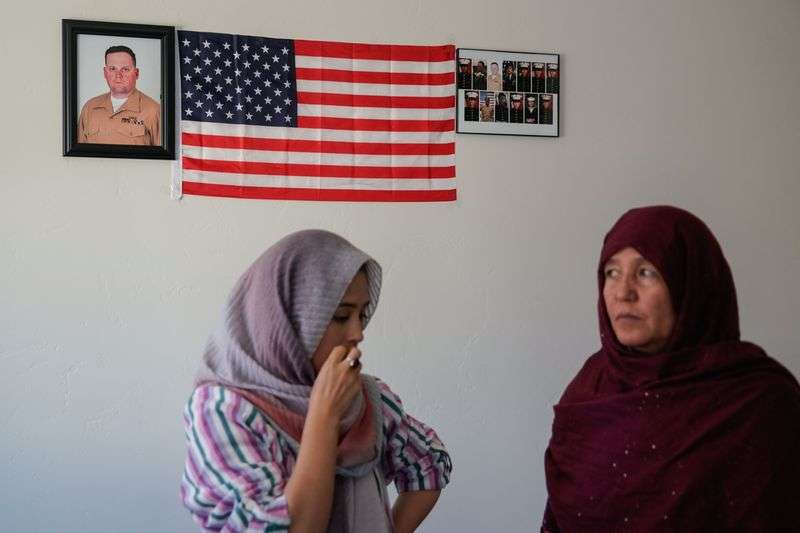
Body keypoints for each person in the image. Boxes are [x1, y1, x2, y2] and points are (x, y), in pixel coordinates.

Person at [542, 206, 800, 532]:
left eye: (646, 272)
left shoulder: (759, 404)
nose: (623, 292)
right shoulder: (591, 386)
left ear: (691, 284)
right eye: (612, 272)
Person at [181, 230, 452, 532]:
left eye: (361, 316)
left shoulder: (367, 398)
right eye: (340, 316)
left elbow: (429, 463)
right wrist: (324, 418)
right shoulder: (223, 410)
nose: (358, 333)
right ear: (286, 319)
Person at [77, 45, 160, 145]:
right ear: (105, 73)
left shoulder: (153, 110)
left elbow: (165, 158)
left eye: (125, 69)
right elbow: (76, 155)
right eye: (112, 69)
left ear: (136, 73)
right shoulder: (90, 108)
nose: (118, 75)